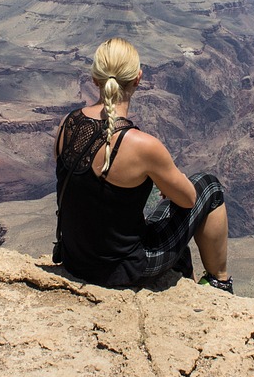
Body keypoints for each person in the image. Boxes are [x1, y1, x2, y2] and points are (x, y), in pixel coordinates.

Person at [53, 37, 233, 293]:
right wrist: (173, 179)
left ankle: (186, 280)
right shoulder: (141, 145)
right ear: (138, 78)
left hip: (75, 260)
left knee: (162, 220)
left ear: (95, 78)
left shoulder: (66, 124)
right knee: (209, 186)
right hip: (120, 270)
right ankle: (220, 283)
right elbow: (189, 200)